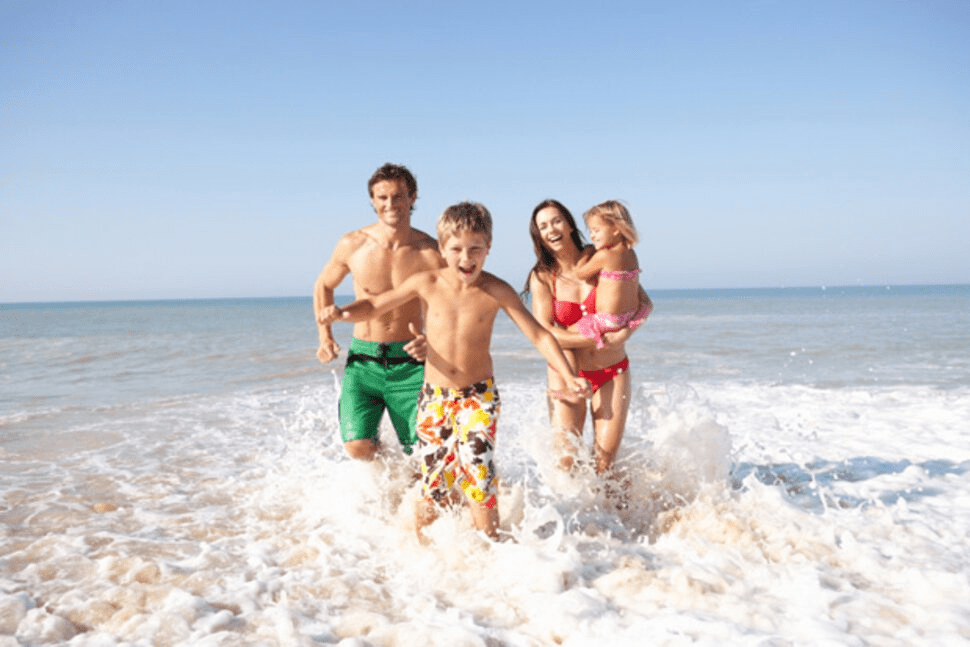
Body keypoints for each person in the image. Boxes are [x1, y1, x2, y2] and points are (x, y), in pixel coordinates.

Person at [320, 202, 591, 540]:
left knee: (477, 473)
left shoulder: (496, 290)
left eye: (476, 248)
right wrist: (343, 314)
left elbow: (540, 334)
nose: (467, 258)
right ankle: (418, 547)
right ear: (442, 249)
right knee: (435, 480)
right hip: (433, 398)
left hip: (479, 397)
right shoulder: (427, 281)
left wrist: (568, 376)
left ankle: (489, 543)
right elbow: (376, 304)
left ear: (488, 247)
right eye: (457, 249)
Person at [313, 163, 444, 461]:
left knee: (423, 452)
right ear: (372, 200)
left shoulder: (431, 252)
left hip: (411, 363)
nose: (390, 204)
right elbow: (323, 284)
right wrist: (325, 336)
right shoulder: (353, 244)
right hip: (363, 361)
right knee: (357, 446)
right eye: (382, 197)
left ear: (412, 197)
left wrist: (432, 341)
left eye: (398, 196)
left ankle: (414, 494)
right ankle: (390, 487)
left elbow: (449, 307)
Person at [524, 199, 652, 474]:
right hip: (567, 373)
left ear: (570, 224)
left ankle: (613, 517)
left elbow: (643, 303)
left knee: (604, 465)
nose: (551, 229)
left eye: (556, 221)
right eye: (543, 226)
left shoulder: (604, 256)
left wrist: (624, 333)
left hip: (612, 370)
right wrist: (599, 338)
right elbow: (544, 333)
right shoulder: (543, 277)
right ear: (539, 235)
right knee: (567, 463)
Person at [573, 200, 653, 348]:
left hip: (607, 321)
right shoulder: (631, 254)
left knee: (566, 336)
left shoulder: (605, 255)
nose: (592, 236)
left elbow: (580, 273)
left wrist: (586, 251)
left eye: (596, 230)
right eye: (590, 231)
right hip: (630, 316)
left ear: (616, 229)